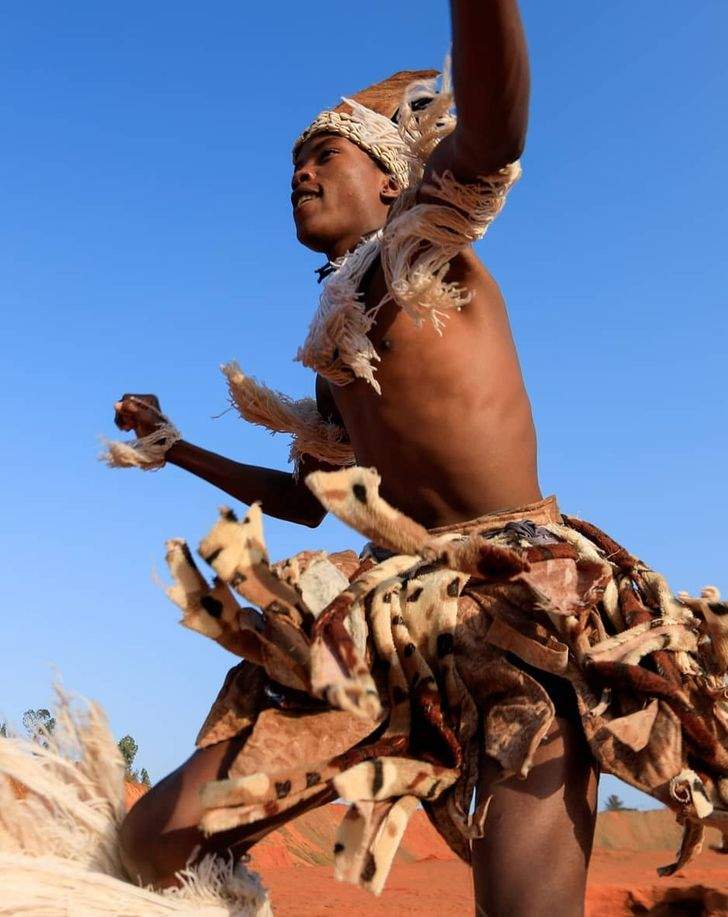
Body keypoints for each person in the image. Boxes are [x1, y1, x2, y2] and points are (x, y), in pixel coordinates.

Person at [109, 3, 728, 915]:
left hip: (528, 601)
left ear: (394, 180)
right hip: (394, 625)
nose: (300, 173)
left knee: (524, 905)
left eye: (324, 155)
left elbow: (496, 127)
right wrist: (176, 448)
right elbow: (314, 499)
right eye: (292, 163)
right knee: (151, 838)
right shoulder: (335, 344)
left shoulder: (428, 248)